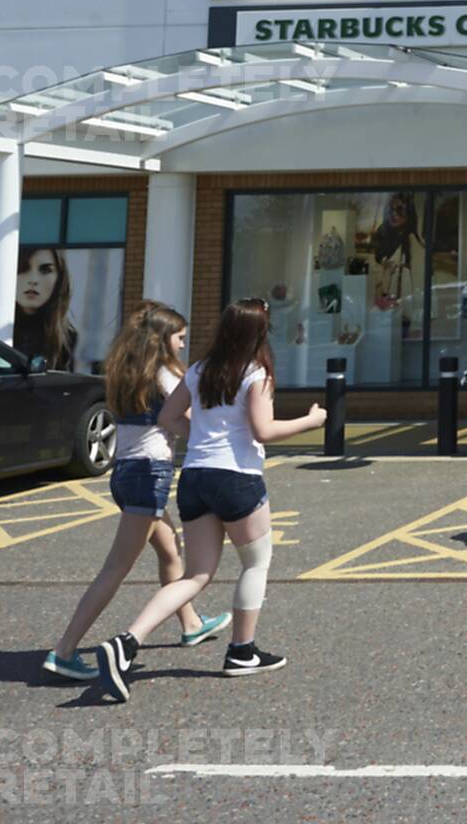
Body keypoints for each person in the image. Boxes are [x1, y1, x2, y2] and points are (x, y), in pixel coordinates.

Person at [93, 298, 324, 703]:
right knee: (255, 562)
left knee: (195, 575)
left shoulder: (199, 370)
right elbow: (263, 430)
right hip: (237, 477)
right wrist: (311, 421)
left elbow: (167, 418)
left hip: (195, 477)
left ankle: (127, 642)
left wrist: (199, 437)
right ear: (259, 333)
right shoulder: (256, 373)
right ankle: (241, 652)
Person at [42, 301, 229, 680]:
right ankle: (63, 651)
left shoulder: (125, 371)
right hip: (148, 475)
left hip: (125, 472)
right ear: (161, 340)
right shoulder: (165, 375)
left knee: (170, 549)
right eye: (179, 338)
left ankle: (191, 624)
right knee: (115, 568)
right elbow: (186, 421)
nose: (182, 345)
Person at [0, 245, 79, 371]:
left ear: (59, 278)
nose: (33, 280)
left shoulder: (65, 335)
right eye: (23, 269)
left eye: (45, 270)